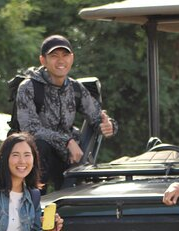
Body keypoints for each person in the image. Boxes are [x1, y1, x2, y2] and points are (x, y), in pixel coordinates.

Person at [16, 34, 118, 191]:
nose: (61, 60)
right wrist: (67, 141)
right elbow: (30, 129)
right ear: (43, 60)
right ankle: (34, 202)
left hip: (67, 157)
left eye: (65, 55)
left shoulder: (76, 88)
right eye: (54, 56)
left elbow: (97, 117)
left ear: (72, 58)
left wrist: (108, 126)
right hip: (32, 159)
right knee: (39, 145)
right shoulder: (28, 87)